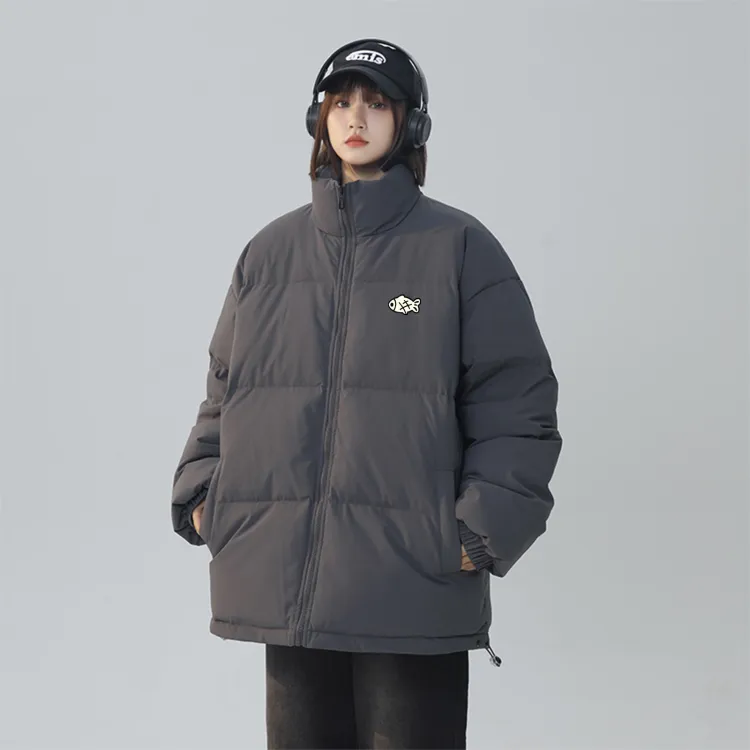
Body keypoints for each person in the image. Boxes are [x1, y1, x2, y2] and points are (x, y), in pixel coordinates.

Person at [170, 38, 563, 750]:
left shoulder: (459, 249)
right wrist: (203, 493)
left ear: (410, 124)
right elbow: (225, 388)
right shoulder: (269, 254)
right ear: (318, 119)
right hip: (286, 584)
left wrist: (478, 531)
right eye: (341, 102)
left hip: (410, 586)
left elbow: (518, 403)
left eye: (376, 104)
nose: (356, 118)